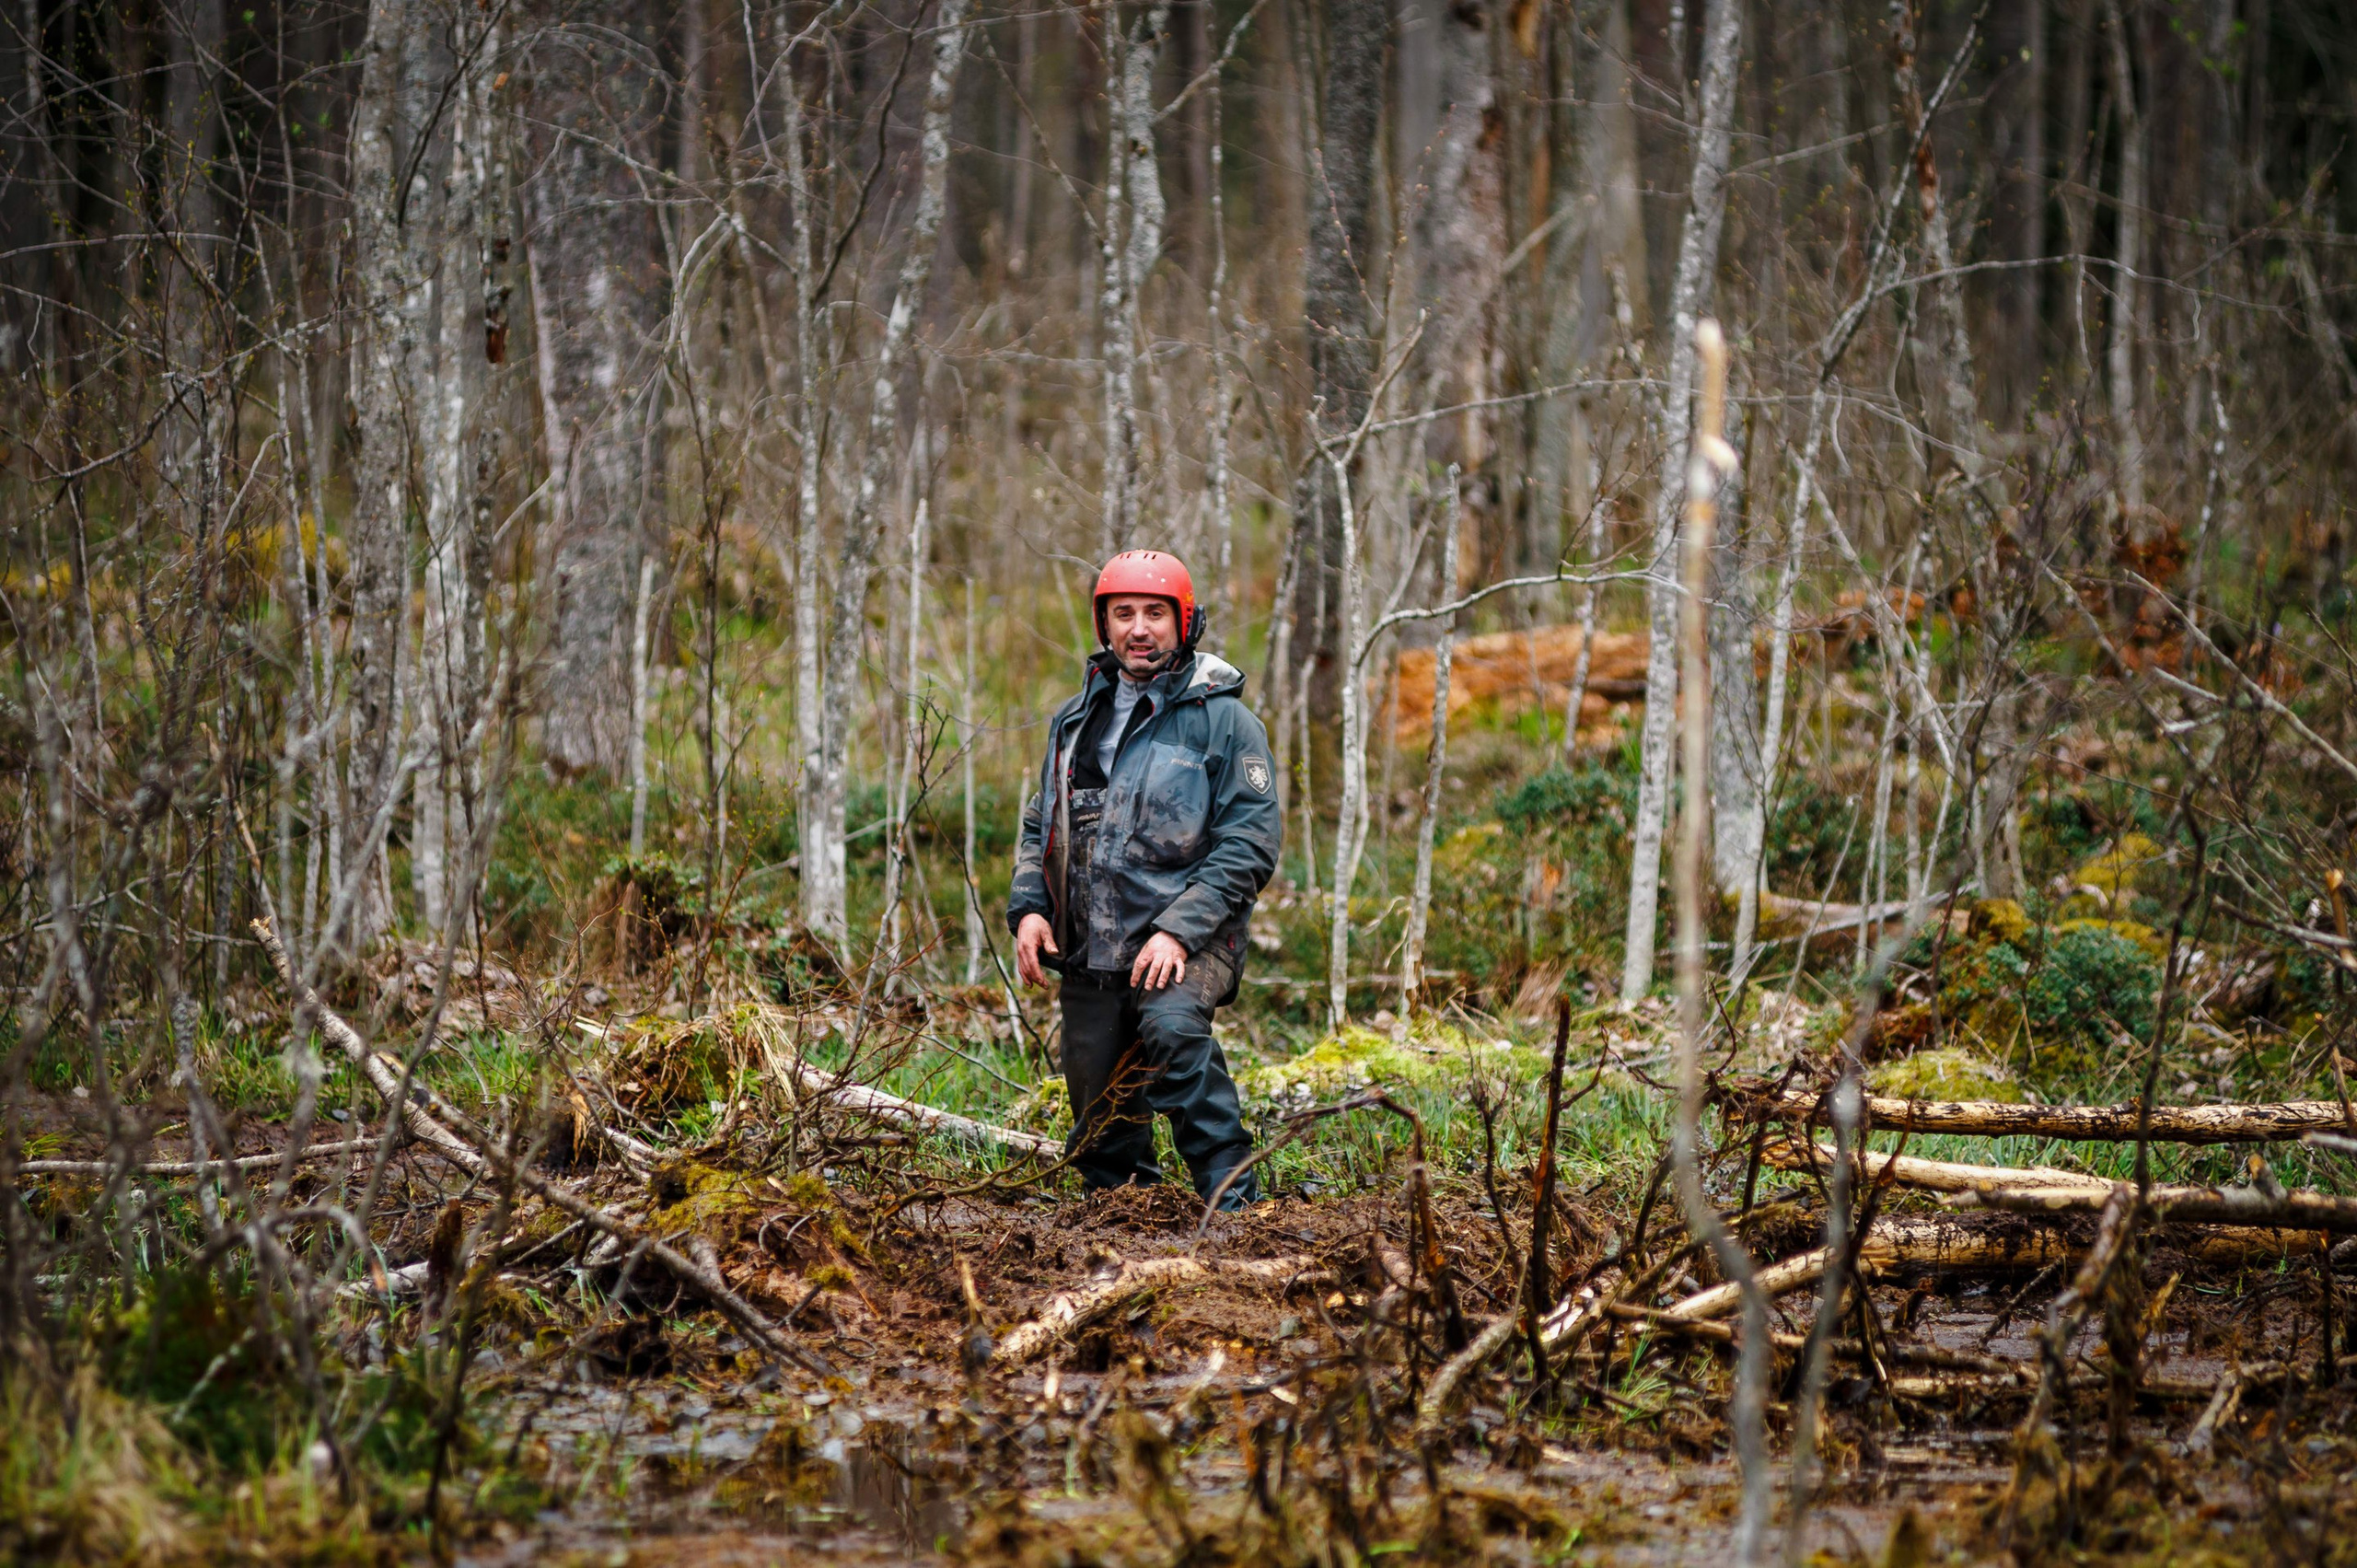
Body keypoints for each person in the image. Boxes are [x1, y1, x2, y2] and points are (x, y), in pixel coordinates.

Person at [1008, 550, 1281, 1208]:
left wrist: (1179, 933)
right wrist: (1029, 908)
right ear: (1103, 624)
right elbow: (1041, 820)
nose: (1139, 628)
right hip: (1093, 942)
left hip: (1192, 938)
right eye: (1123, 612)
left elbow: (1250, 844)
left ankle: (1234, 1207)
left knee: (1173, 1031)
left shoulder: (1226, 721)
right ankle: (1125, 1211)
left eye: (1155, 613)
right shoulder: (1075, 720)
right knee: (1096, 1097)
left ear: (1184, 622)